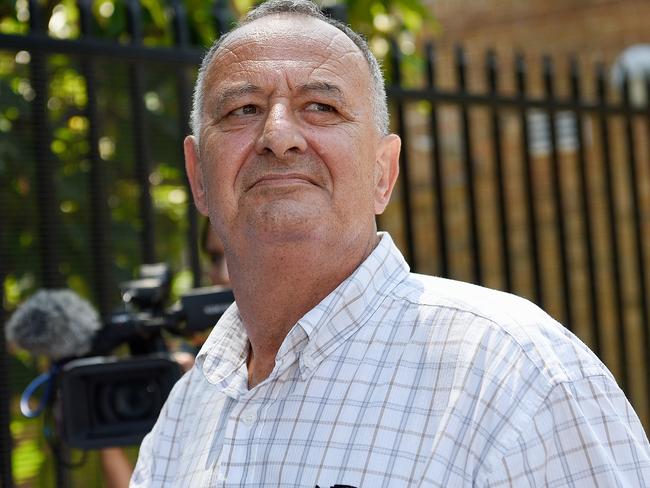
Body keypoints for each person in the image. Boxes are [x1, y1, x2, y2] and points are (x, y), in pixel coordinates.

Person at [130, 1, 650, 486]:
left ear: (384, 172)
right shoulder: (184, 415)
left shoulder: (514, 373)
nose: (278, 134)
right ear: (198, 176)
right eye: (243, 109)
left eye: (321, 107)